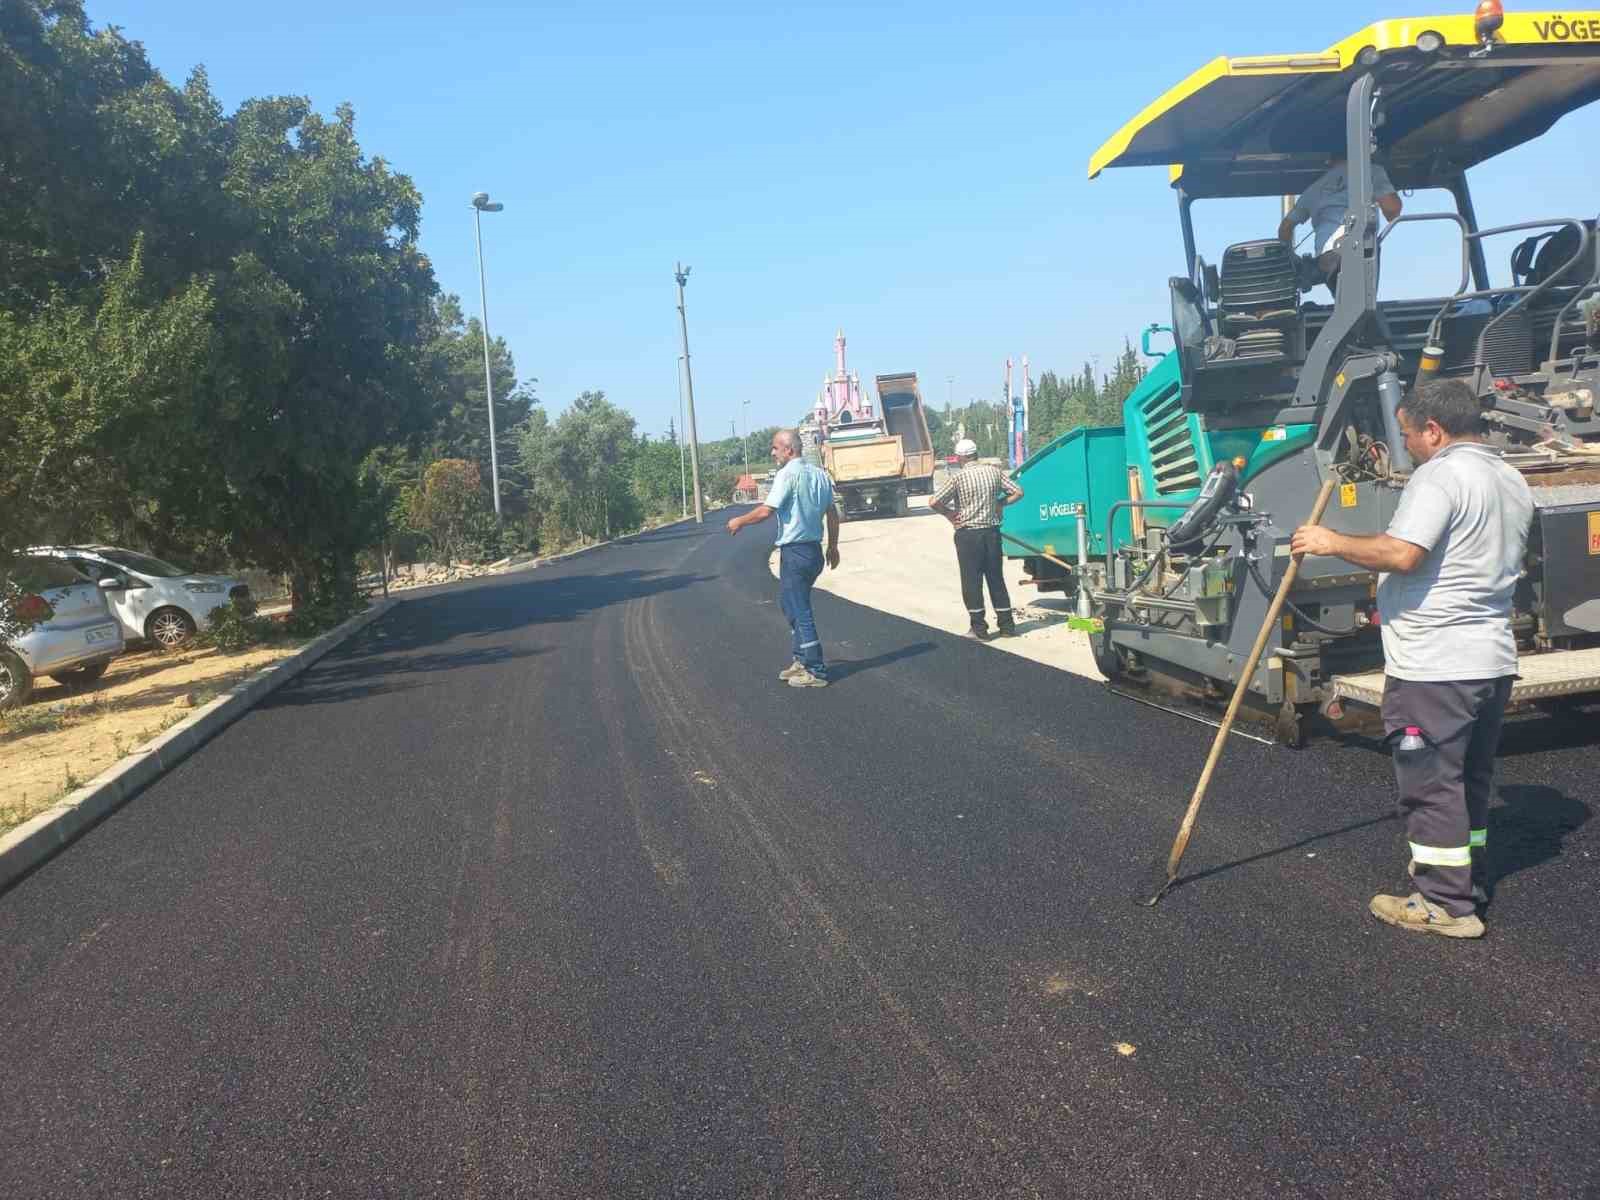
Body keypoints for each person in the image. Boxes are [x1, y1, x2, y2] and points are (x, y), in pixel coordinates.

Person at [1290, 379, 1533, 939]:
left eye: (1408, 436)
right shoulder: (1509, 477)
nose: (1407, 448)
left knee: (1429, 782)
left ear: (1434, 430)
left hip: (1436, 662)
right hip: (1490, 660)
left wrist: (1331, 541)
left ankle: (1444, 904)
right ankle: (1460, 874)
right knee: (1468, 776)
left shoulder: (1442, 474)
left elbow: (1403, 553)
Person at [726, 429, 840, 688]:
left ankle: (816, 670)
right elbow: (832, 515)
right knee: (789, 605)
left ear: (789, 450)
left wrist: (739, 521)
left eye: (775, 447)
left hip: (796, 552)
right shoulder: (821, 476)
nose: (772, 452)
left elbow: (766, 511)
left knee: (800, 610)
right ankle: (801, 659)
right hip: (813, 551)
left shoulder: (787, 474)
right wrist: (833, 547)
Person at [928, 438, 1025, 640]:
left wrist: (949, 514)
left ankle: (979, 629)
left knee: (972, 582)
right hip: (992, 533)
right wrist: (1000, 504)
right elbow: (1018, 492)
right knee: (996, 579)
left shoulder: (959, 478)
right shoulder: (994, 472)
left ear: (960, 458)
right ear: (976, 454)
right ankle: (1007, 626)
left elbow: (934, 501)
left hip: (968, 535)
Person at [1278, 155, 1403, 291]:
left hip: (1325, 260)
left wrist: (1291, 258)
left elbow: (1285, 227)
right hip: (1358, 251)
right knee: (1362, 303)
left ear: (1329, 160)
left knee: (1345, 302)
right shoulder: (1371, 171)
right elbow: (1392, 209)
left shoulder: (1313, 189)